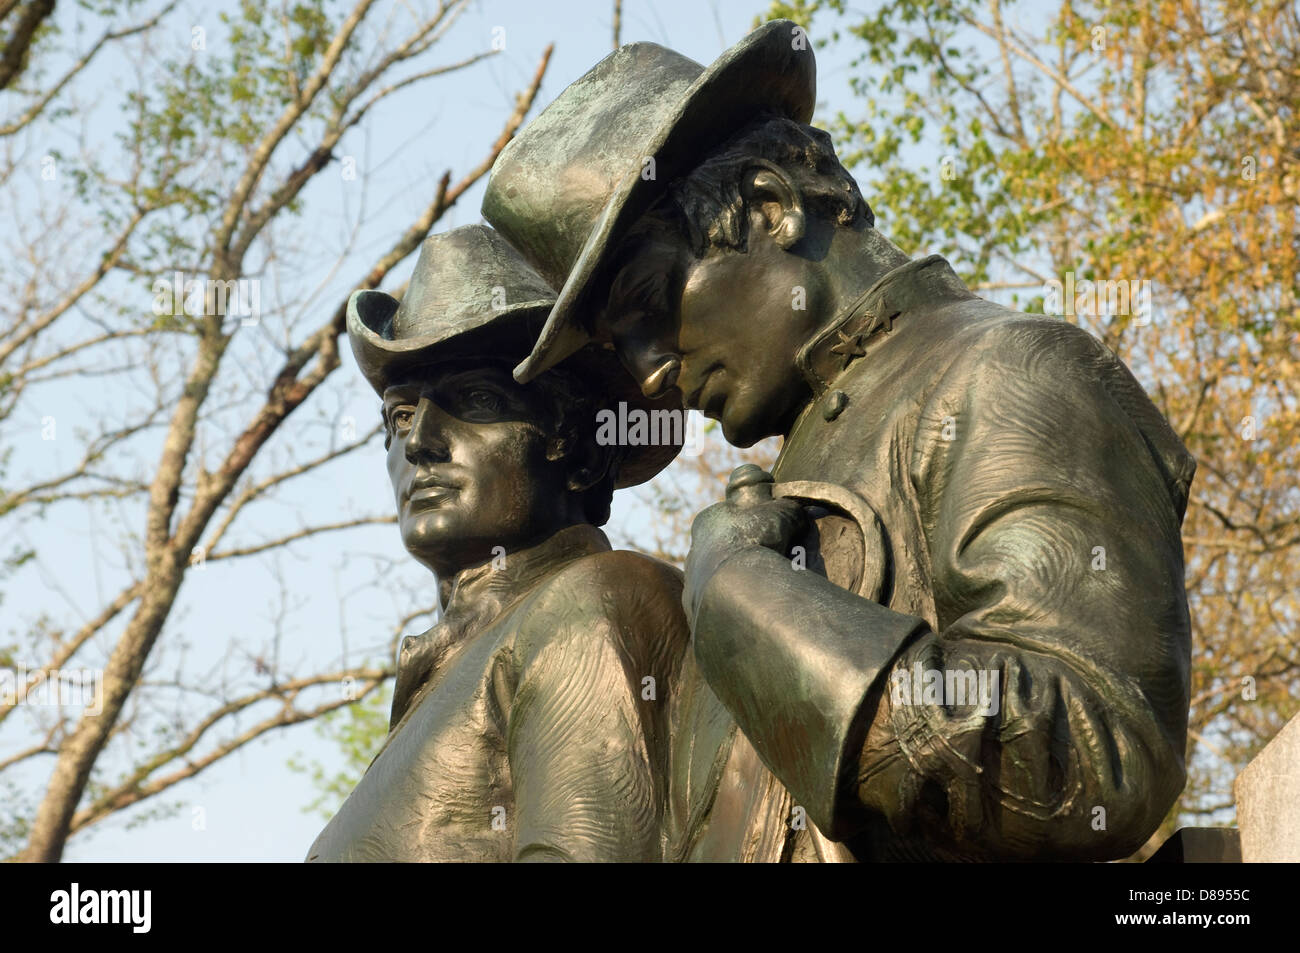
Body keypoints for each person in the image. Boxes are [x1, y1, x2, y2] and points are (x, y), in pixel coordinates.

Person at [482, 21, 1196, 861]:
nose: (646, 375)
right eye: (619, 342)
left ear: (770, 206)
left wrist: (752, 600)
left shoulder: (1009, 371)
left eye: (648, 301)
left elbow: (1093, 760)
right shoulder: (788, 479)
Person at [306, 225, 689, 862]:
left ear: (586, 454)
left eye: (477, 401)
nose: (419, 441)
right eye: (401, 415)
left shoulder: (595, 601)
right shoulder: (452, 671)